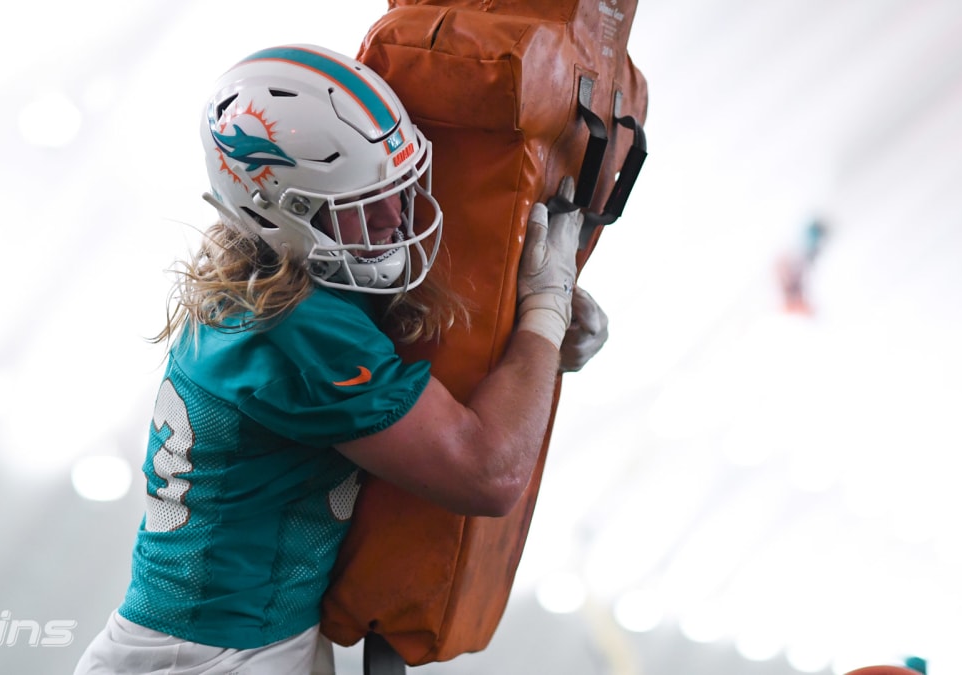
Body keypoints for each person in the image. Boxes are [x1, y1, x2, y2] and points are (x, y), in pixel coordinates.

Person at [73, 43, 609, 675]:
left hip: (228, 639)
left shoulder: (279, 288)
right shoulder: (293, 327)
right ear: (280, 212)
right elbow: (487, 474)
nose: (393, 219)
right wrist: (542, 315)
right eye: (363, 202)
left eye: (400, 188)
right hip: (215, 655)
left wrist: (530, 348)